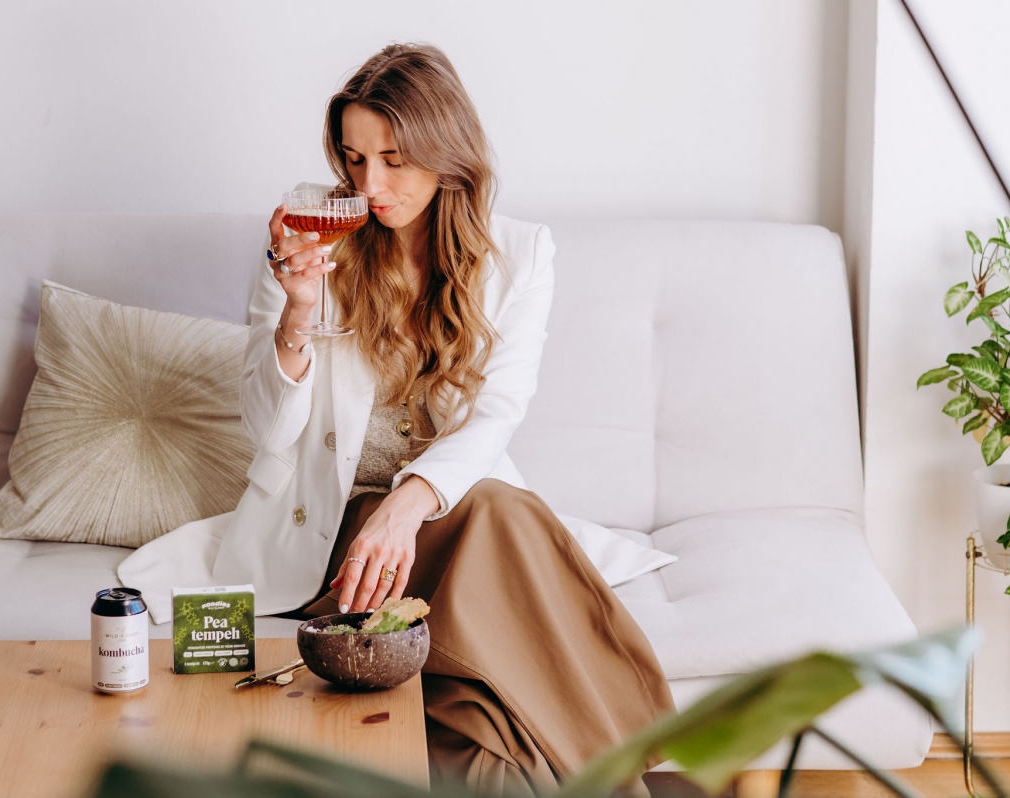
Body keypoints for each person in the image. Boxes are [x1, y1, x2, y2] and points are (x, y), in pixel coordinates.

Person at [121, 42, 673, 794]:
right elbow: (265, 428)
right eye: (354, 159)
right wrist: (297, 312)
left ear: (448, 154)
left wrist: (407, 506)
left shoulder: (519, 253)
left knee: (483, 711)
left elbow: (497, 413)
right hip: (334, 531)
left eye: (394, 161)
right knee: (502, 514)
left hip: (449, 516)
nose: (369, 186)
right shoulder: (311, 227)